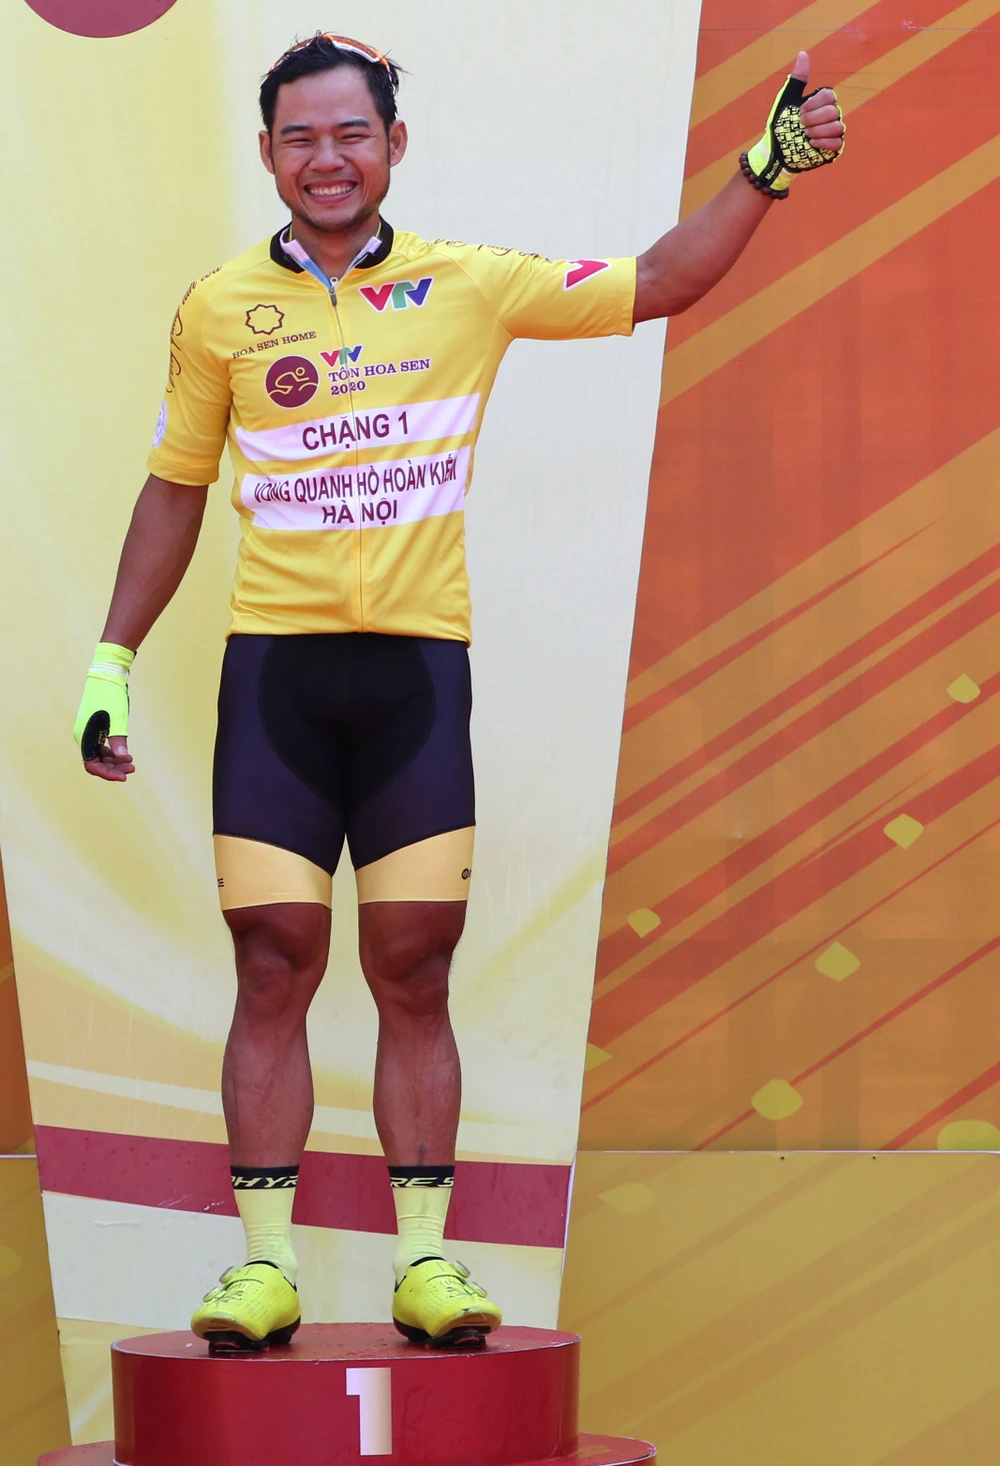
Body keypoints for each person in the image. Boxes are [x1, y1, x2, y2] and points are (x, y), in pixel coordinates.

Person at [73, 34, 845, 1352]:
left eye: (350, 134)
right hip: (276, 679)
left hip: (416, 679)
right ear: (267, 153)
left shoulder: (470, 284)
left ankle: (426, 1260)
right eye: (300, 138)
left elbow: (661, 280)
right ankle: (265, 1268)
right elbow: (175, 487)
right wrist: (111, 661)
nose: (326, 159)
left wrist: (763, 170)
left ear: (393, 144)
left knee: (413, 968)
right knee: (273, 960)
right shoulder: (218, 307)